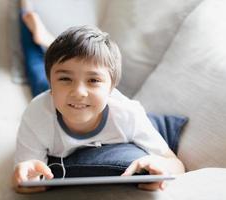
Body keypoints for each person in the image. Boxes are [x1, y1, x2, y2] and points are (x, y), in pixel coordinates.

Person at [12, 21, 185, 193]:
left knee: (69, 68)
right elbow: (25, 178)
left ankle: (49, 44)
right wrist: (26, 179)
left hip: (65, 95)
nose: (79, 92)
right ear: (52, 85)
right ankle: (42, 38)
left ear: (111, 89)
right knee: (36, 72)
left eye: (93, 80)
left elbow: (175, 164)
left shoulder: (127, 114)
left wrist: (161, 166)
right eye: (65, 78)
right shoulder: (37, 114)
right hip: (49, 95)